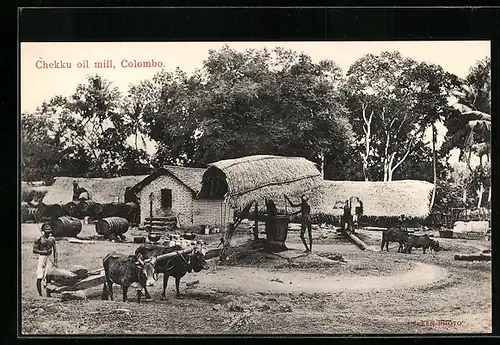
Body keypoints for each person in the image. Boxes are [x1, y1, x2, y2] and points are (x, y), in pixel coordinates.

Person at [33, 223, 58, 296]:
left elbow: (55, 251)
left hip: (49, 258)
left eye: (49, 229)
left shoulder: (52, 239)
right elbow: (34, 250)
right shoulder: (39, 239)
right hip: (42, 258)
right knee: (39, 276)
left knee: (49, 275)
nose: (48, 230)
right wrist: (43, 252)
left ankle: (48, 293)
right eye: (46, 229)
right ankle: (40, 294)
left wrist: (55, 261)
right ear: (43, 230)